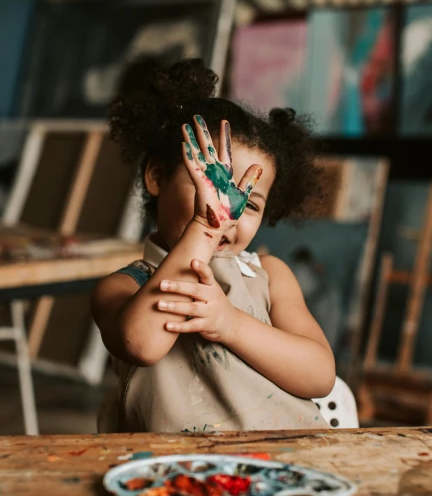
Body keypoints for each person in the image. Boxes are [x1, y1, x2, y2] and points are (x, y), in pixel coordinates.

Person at [92, 58, 335, 433]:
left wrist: (230, 323)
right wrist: (204, 228)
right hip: (177, 474)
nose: (227, 213)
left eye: (249, 203)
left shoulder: (269, 276)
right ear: (157, 176)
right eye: (212, 188)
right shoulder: (124, 287)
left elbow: (320, 376)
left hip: (287, 461)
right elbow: (141, 344)